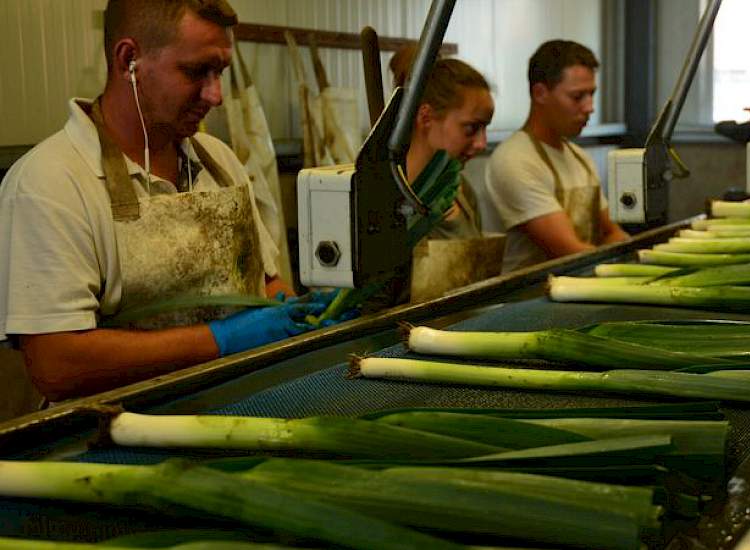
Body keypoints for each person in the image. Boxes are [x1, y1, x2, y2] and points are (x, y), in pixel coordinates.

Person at [0, 0, 329, 402]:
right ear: (128, 60)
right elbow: (57, 363)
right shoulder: (51, 183)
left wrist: (304, 312)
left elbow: (263, 282)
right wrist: (220, 339)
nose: (216, 95)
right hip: (118, 435)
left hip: (239, 404)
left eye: (220, 71)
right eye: (196, 71)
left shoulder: (219, 162)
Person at [485, 40, 630, 272]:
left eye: (591, 94)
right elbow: (569, 251)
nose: (590, 107)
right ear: (540, 93)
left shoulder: (580, 158)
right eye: (577, 96)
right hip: (527, 301)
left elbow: (612, 231)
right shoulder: (514, 160)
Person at [388, 46, 494, 240]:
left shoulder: (462, 193)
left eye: (485, 128)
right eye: (471, 128)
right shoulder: (385, 198)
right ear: (426, 117)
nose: (481, 143)